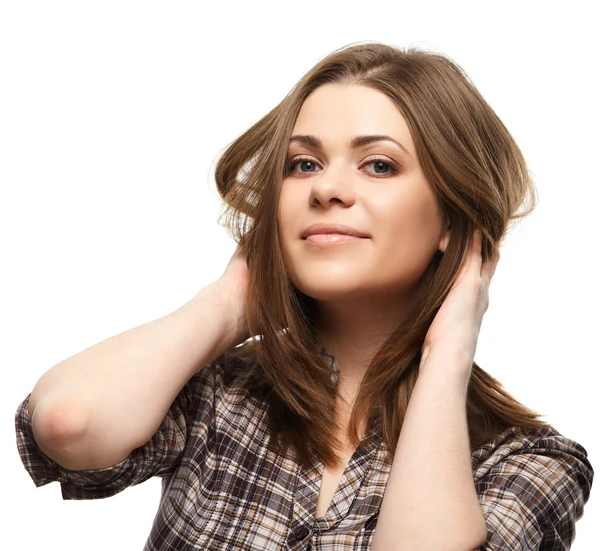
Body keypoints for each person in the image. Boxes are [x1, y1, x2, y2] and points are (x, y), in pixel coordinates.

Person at [15, 41, 593, 550]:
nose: (327, 188)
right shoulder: (215, 394)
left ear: (451, 217)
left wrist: (450, 348)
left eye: (379, 165)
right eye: (304, 163)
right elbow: (70, 425)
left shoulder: (529, 462)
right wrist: (226, 303)